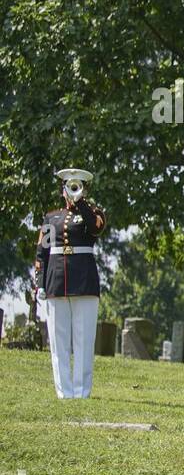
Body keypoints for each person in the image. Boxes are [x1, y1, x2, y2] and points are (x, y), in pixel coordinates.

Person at [35, 168, 107, 399]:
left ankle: (81, 392)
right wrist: (40, 283)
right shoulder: (51, 217)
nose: (72, 190)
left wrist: (82, 203)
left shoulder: (94, 213)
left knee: (84, 340)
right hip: (56, 280)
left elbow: (95, 229)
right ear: (62, 189)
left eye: (77, 185)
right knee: (59, 341)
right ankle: (64, 392)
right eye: (69, 186)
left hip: (84, 280)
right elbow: (42, 252)